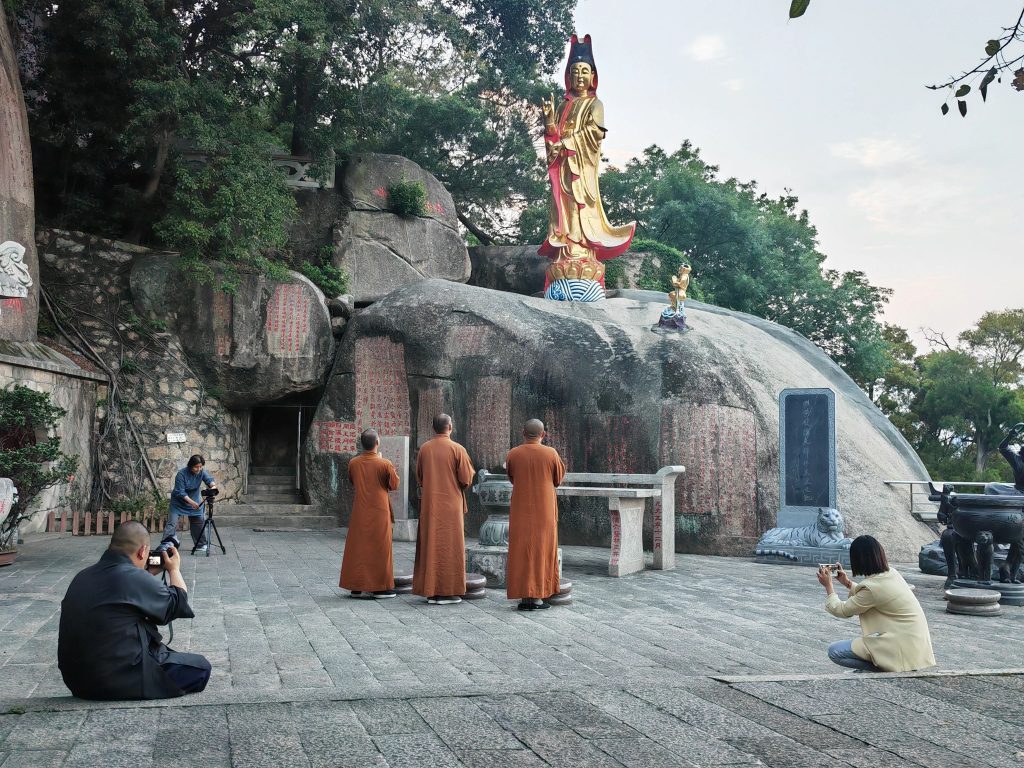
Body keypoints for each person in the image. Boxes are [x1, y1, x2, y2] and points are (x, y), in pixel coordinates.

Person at [58, 521, 211, 699]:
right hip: (116, 680)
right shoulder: (133, 577)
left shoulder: (82, 575)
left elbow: (122, 594)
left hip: (78, 682)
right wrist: (174, 569)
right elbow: (177, 603)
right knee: (201, 668)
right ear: (143, 551)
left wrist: (146, 575)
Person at [539, 34, 635, 290]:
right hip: (564, 170)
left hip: (581, 168)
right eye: (575, 71)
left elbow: (594, 134)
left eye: (584, 71)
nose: (580, 76)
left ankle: (581, 251)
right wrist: (549, 121)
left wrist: (567, 143)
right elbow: (553, 139)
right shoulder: (563, 106)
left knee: (580, 206)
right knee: (562, 208)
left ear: (593, 76)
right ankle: (566, 251)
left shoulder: (595, 104)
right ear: (568, 77)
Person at [818, 535, 936, 672]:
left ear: (857, 559)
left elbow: (842, 610)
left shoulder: (871, 588)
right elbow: (874, 594)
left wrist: (828, 586)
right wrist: (847, 583)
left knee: (835, 651)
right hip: (913, 643)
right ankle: (885, 664)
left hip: (898, 644)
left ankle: (882, 668)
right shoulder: (892, 573)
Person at [413, 413, 475, 604]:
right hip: (451, 506)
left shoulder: (425, 449)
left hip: (430, 504)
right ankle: (448, 592)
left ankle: (431, 590)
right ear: (450, 427)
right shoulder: (457, 449)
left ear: (433, 428)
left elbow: (420, 477)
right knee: (451, 546)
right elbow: (466, 479)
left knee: (431, 544)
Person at [505, 419, 566, 611]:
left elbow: (512, 478)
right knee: (542, 550)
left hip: (520, 510)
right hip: (544, 510)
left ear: (523, 432)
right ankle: (538, 596)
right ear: (543, 434)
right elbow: (558, 479)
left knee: (521, 551)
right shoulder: (551, 453)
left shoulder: (514, 453)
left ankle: (525, 597)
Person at [340, 428, 400, 599]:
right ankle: (380, 588)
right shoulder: (384, 464)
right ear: (377, 442)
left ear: (362, 444)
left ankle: (356, 586)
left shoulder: (354, 463)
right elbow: (394, 484)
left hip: (360, 510)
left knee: (358, 547)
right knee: (380, 547)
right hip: (379, 511)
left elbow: (353, 480)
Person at [164, 454, 216, 553]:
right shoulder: (181, 474)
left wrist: (213, 487)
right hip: (178, 503)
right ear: (190, 465)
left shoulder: (201, 472)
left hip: (194, 501)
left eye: (200, 466)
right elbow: (180, 492)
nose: (198, 469)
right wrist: (192, 503)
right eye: (196, 467)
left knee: (198, 522)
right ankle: (166, 544)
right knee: (172, 523)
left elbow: (209, 480)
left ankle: (200, 545)